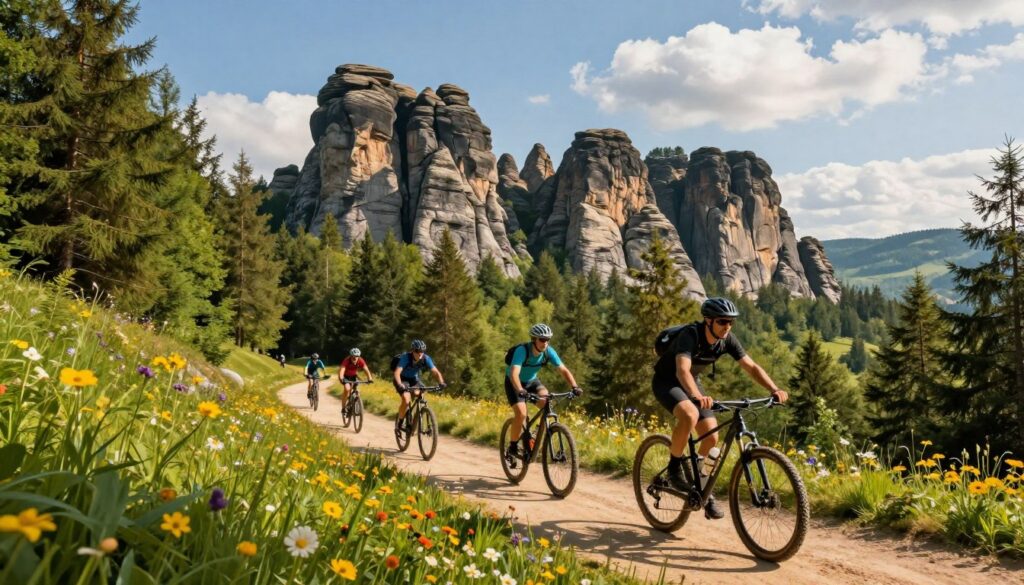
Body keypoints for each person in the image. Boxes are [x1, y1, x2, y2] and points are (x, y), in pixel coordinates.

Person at [652, 297, 789, 520]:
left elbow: (751, 366)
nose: (727, 326)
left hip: (692, 382)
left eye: (731, 322)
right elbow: (682, 370)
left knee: (711, 438)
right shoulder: (691, 335)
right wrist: (697, 396)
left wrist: (774, 389)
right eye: (722, 321)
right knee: (689, 414)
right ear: (708, 321)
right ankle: (675, 467)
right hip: (667, 381)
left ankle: (701, 487)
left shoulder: (727, 340)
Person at [504, 323, 581, 461]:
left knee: (546, 402)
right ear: (534, 339)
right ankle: (513, 447)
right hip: (514, 382)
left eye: (548, 340)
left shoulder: (548, 352)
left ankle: (534, 435)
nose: (545, 342)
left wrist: (575, 386)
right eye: (542, 339)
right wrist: (520, 389)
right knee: (521, 414)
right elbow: (514, 373)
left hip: (532, 381)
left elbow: (563, 370)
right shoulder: (522, 351)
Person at [392, 340, 446, 434]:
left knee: (420, 393)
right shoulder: (406, 358)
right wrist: (400, 384)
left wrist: (441, 382)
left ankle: (416, 420)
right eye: (417, 351)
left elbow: (435, 372)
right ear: (413, 350)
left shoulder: (425, 358)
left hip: (414, 380)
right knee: (406, 399)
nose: (420, 353)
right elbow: (397, 372)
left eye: (422, 351)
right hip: (402, 379)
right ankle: (399, 423)